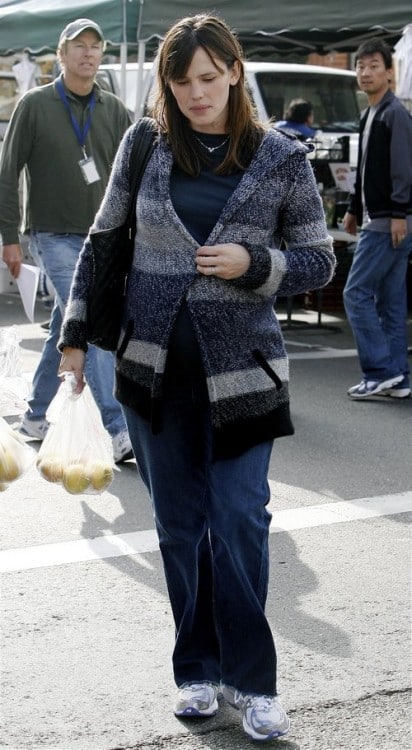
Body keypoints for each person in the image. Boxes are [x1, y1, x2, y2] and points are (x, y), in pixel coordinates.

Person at [58, 13, 336, 741]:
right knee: (180, 529)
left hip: (244, 376)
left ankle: (254, 682)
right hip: (152, 373)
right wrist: (76, 337)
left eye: (208, 79)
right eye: (180, 83)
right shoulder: (144, 143)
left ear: (235, 72)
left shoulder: (281, 159)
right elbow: (105, 238)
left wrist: (257, 266)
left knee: (240, 521)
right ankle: (199, 672)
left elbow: (317, 260)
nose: (195, 95)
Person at [0, 18, 133, 462]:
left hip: (102, 239)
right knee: (91, 321)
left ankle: (35, 416)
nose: (89, 53)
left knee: (66, 321)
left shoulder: (114, 110)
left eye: (96, 46)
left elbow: (132, 176)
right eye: (79, 46)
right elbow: (7, 172)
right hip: (51, 234)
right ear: (60, 54)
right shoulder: (34, 104)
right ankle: (118, 429)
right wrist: (9, 237)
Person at [342, 38, 412, 400]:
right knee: (390, 301)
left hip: (389, 222)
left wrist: (399, 213)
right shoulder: (369, 113)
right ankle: (398, 377)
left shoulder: (394, 113)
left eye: (373, 66)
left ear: (389, 71)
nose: (365, 72)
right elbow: (365, 171)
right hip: (380, 218)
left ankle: (379, 370)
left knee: (355, 294)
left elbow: (404, 168)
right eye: (360, 66)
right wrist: (354, 208)